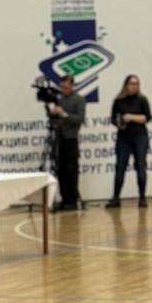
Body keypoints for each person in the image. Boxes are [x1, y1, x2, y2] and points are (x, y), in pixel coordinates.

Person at [107, 73, 152, 209]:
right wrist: (120, 121)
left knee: (141, 166)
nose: (134, 86)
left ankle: (142, 197)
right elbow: (113, 119)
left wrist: (131, 117)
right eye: (132, 84)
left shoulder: (142, 100)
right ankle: (116, 197)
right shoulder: (118, 101)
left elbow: (147, 117)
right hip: (123, 137)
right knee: (120, 166)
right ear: (126, 85)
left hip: (140, 136)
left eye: (136, 84)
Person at [47, 74, 86, 211]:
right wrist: (52, 112)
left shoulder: (79, 99)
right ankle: (64, 198)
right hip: (59, 138)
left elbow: (80, 118)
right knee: (60, 169)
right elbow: (54, 120)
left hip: (71, 138)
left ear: (72, 86)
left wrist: (64, 114)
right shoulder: (59, 99)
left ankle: (73, 199)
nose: (63, 89)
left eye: (66, 87)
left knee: (71, 169)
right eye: (61, 87)